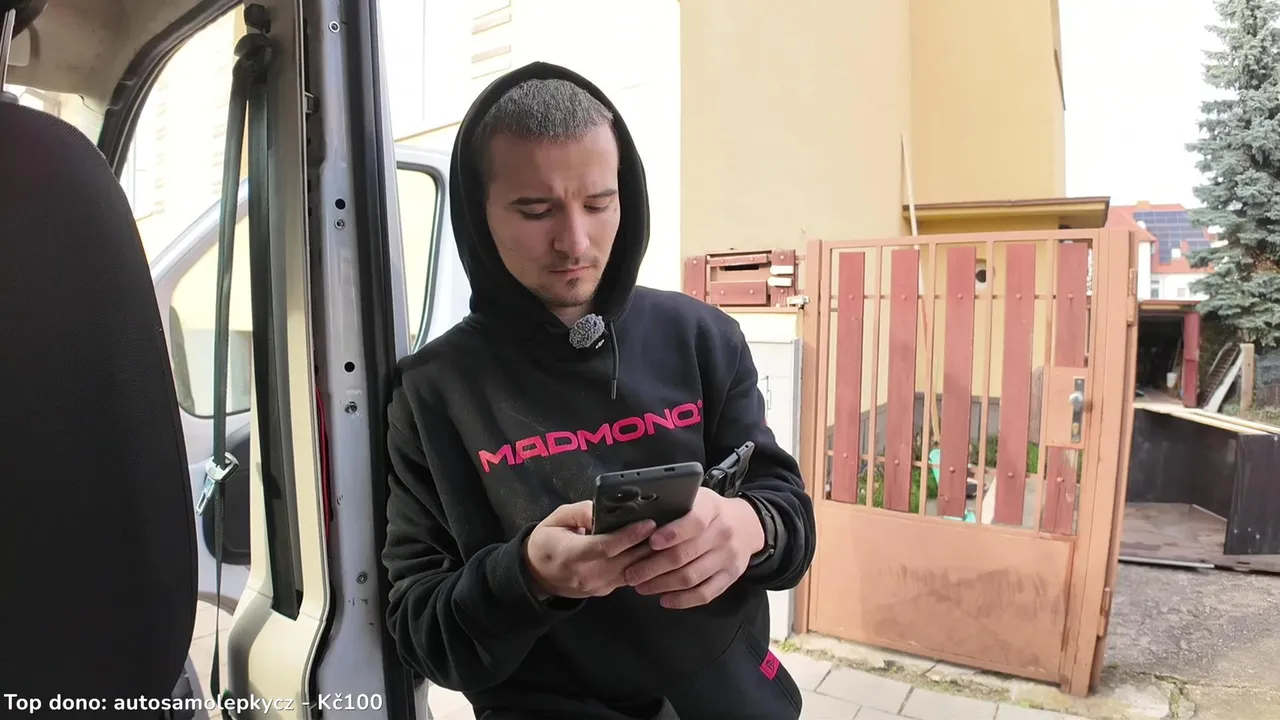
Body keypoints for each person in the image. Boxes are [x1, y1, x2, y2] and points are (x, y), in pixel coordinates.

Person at [381, 60, 817, 720]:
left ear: (626, 197)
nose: (574, 242)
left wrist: (749, 526)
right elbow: (422, 636)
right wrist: (528, 576)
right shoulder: (430, 395)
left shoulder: (703, 338)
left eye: (598, 204)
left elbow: (789, 515)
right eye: (536, 210)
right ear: (477, 213)